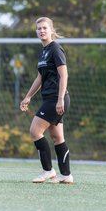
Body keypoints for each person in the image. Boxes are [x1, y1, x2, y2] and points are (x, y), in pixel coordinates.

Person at [20, 17, 73, 184]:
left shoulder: (56, 49)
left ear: (51, 30)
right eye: (39, 28)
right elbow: (40, 78)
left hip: (56, 99)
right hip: (50, 98)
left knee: (35, 131)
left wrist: (59, 99)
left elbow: (64, 75)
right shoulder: (44, 52)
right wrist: (28, 96)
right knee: (57, 137)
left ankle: (48, 171)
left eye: (44, 28)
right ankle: (65, 175)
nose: (41, 31)